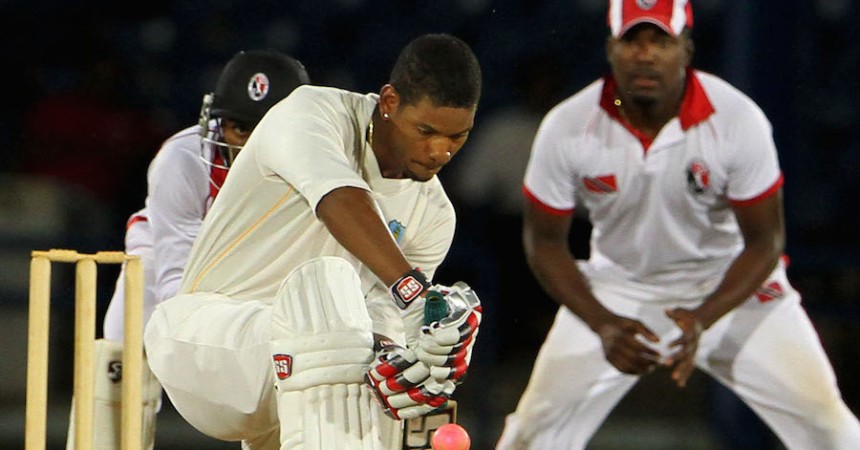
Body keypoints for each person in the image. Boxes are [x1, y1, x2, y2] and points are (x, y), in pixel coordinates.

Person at [496, 1, 860, 449]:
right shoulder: (568, 126)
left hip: (729, 288)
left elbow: (766, 242)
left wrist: (703, 318)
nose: (646, 54)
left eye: (661, 41)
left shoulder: (737, 119)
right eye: (632, 40)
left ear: (686, 49)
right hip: (618, 289)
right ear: (610, 49)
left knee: (831, 429)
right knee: (529, 435)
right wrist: (602, 322)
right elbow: (544, 243)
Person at [143, 33, 483, 449]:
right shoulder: (311, 113)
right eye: (425, 130)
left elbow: (382, 320)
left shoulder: (435, 214)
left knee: (372, 372)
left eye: (457, 137)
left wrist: (420, 357)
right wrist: (415, 293)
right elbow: (339, 198)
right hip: (209, 339)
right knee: (329, 312)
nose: (439, 151)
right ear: (390, 102)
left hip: (309, 375)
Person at [67, 49, 311, 450]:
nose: (252, 144)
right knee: (120, 356)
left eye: (267, 128)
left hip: (266, 267)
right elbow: (175, 268)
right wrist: (187, 343)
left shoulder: (320, 162)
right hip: (169, 258)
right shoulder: (182, 158)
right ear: (217, 121)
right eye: (240, 128)